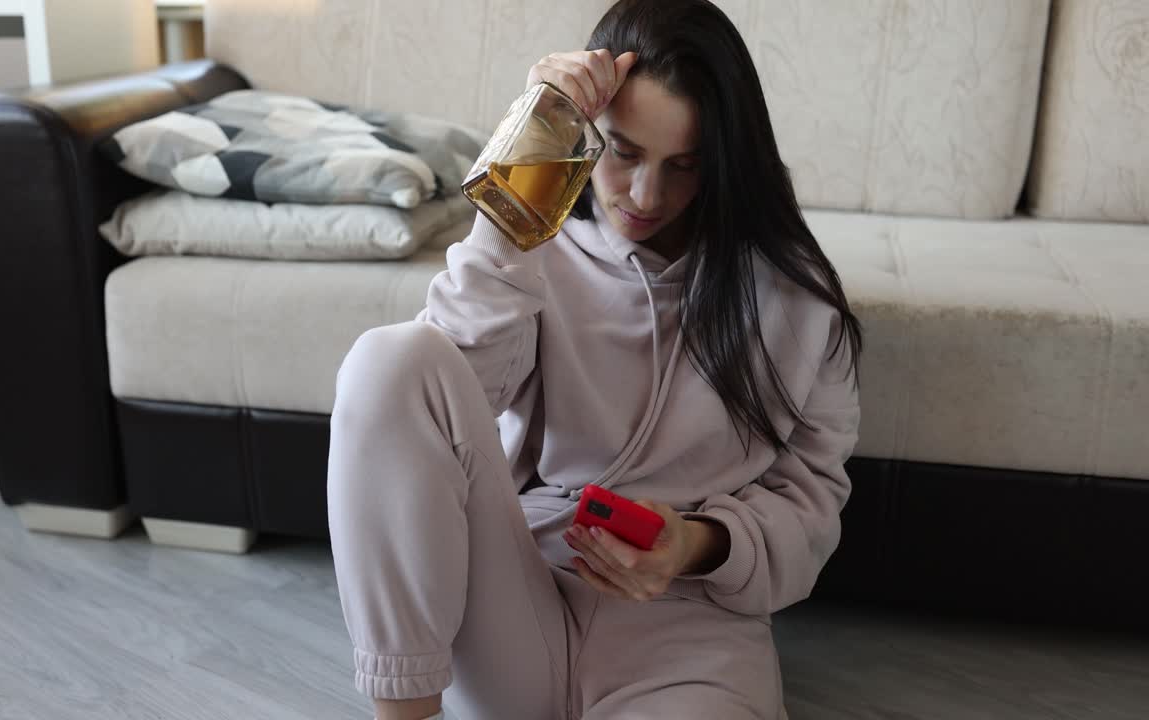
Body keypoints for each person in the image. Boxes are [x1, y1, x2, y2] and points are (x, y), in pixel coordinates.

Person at [327, 1, 864, 718]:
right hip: (518, 604)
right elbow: (441, 396)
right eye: (624, 152)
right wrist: (529, 153)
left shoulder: (797, 299)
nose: (646, 196)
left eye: (685, 166)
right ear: (584, 139)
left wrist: (697, 543)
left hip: (690, 638)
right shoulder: (536, 255)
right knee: (389, 359)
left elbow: (811, 511)